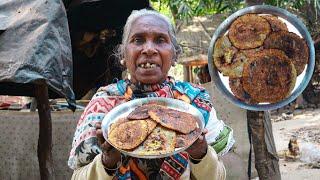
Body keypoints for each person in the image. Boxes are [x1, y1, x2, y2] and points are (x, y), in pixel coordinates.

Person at [68, 9, 234, 180]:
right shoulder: (104, 104)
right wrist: (106, 163)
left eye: (160, 40)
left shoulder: (195, 103)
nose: (148, 49)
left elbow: (218, 176)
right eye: (138, 40)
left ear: (174, 54)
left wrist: (200, 153)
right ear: (124, 55)